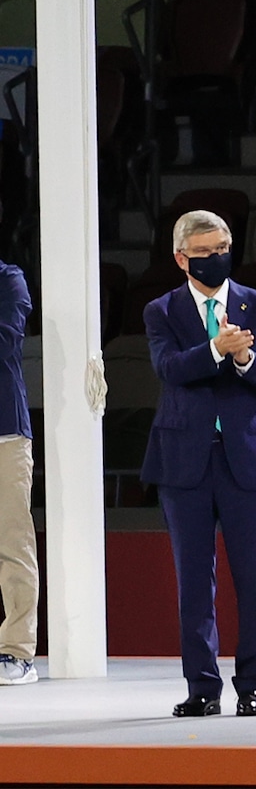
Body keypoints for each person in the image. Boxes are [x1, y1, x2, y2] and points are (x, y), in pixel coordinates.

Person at [141, 210, 256, 718]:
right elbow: (170, 368)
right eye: (205, 253)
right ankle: (202, 687)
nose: (217, 258)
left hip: (249, 459)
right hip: (185, 462)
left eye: (223, 248)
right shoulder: (161, 311)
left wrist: (244, 360)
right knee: (193, 582)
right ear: (182, 258)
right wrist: (215, 349)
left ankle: (254, 684)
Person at [0, 259, 37, 685]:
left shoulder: (9, 281)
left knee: (12, 544)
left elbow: (5, 340)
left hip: (4, 433)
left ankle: (17, 652)